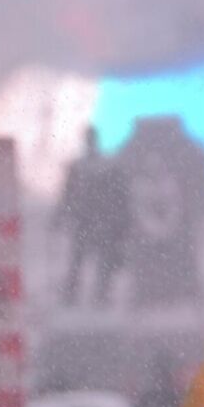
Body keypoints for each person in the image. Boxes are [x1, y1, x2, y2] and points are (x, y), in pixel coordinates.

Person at [56, 126, 133, 309]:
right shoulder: (85, 166)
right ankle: (81, 294)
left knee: (94, 259)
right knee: (82, 259)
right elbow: (68, 195)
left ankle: (93, 294)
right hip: (89, 220)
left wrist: (122, 219)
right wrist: (60, 216)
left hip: (97, 220)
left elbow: (118, 196)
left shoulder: (100, 166)